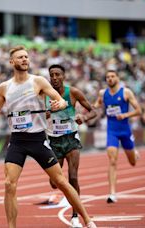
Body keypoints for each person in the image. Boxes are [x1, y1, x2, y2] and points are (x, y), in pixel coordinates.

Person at [0, 46, 96, 228]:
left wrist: (60, 104)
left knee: (61, 182)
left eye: (26, 57)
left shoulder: (38, 81)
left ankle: (87, 219)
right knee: (9, 184)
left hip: (38, 140)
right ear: (12, 62)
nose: (24, 59)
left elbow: (60, 99)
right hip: (17, 141)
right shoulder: (4, 87)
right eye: (20, 57)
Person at [45, 64, 97, 227]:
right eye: (52, 75)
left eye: (57, 74)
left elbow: (93, 111)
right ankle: (61, 190)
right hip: (54, 140)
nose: (54, 78)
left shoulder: (73, 92)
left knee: (73, 177)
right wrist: (47, 112)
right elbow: (38, 115)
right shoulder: (44, 94)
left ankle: (75, 215)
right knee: (55, 182)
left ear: (63, 76)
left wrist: (85, 118)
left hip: (71, 138)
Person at [94, 70, 142, 203]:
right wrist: (89, 108)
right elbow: (97, 104)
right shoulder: (103, 93)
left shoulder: (126, 92)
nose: (109, 79)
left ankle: (134, 152)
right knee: (112, 160)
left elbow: (139, 111)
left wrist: (125, 115)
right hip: (111, 131)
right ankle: (112, 193)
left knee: (132, 162)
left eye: (112, 76)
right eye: (107, 77)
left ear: (118, 78)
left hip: (125, 131)